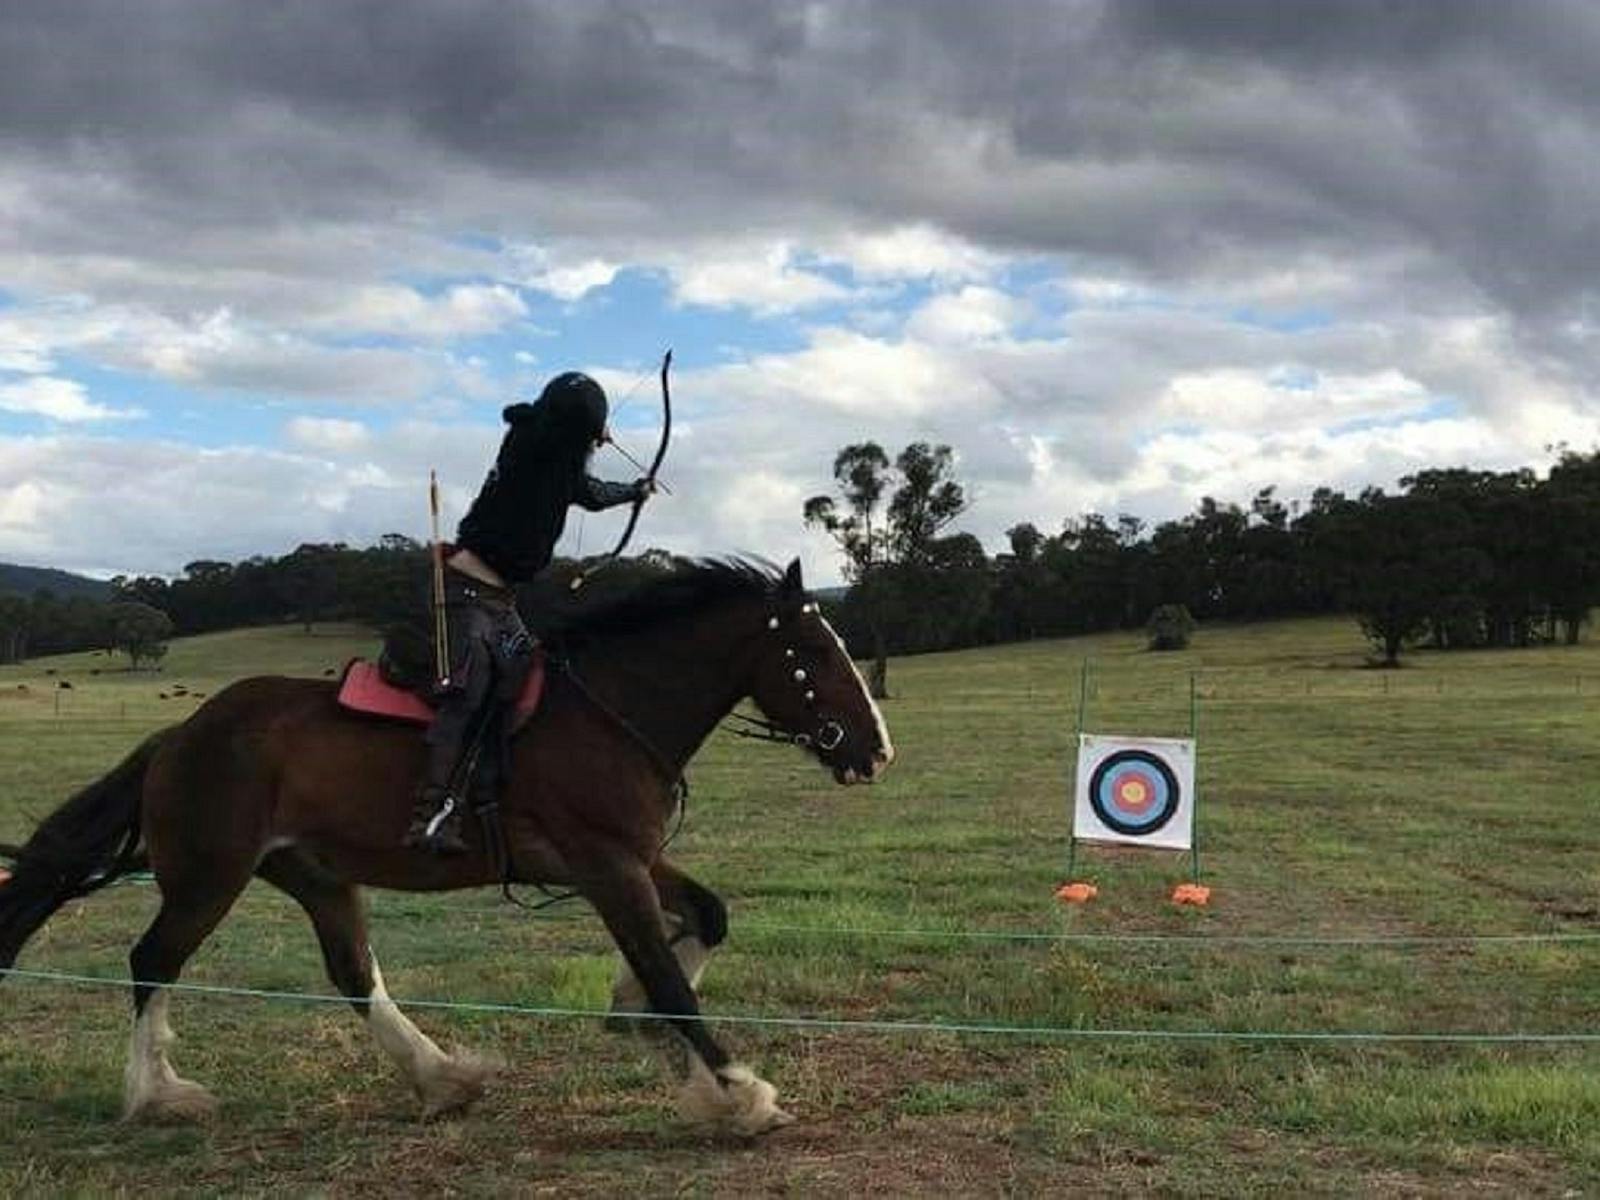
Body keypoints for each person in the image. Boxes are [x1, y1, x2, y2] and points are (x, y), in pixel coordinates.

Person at [405, 371, 652, 854]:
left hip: (501, 604)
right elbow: (589, 490)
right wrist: (630, 488)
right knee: (469, 686)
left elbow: (577, 478)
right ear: (577, 429)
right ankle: (432, 813)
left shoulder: (544, 446)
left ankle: (497, 790)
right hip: (466, 594)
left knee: (534, 674)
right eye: (589, 430)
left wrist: (598, 451)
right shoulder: (538, 450)